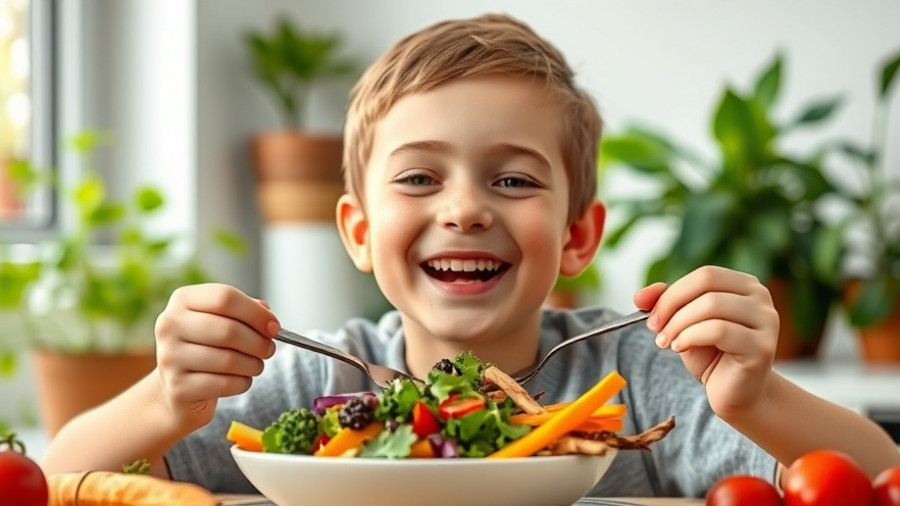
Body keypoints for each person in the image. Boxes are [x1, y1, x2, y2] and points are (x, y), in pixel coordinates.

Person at [42, 13, 899, 498]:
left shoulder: (639, 371)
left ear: (576, 236)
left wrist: (760, 394)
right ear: (359, 230)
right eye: (418, 177)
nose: (463, 209)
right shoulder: (313, 381)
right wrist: (163, 398)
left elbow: (877, 480)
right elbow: (56, 482)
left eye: (514, 181)